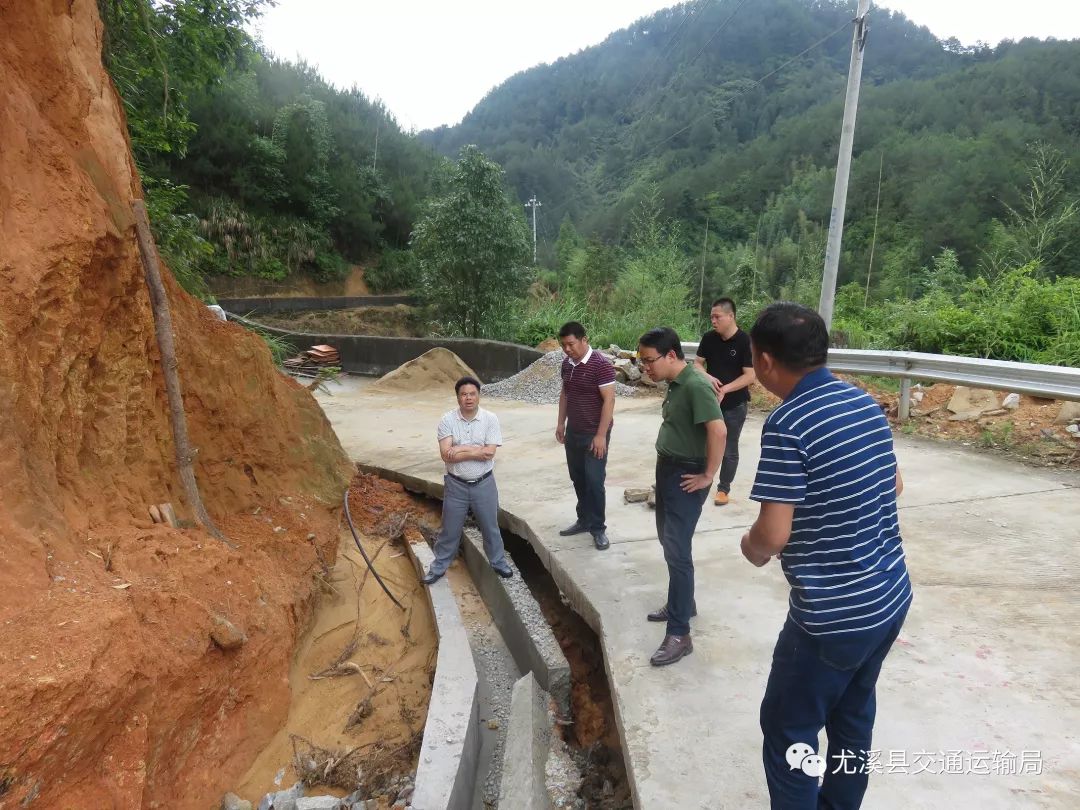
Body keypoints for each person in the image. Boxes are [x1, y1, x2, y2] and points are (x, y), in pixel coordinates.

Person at [741, 302, 912, 809]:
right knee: (852, 717)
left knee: (788, 730)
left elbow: (770, 537)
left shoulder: (788, 422)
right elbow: (896, 485)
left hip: (832, 618)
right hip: (889, 597)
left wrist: (748, 546)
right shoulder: (862, 402)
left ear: (766, 361)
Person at [637, 327, 726, 666]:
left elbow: (718, 430)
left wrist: (708, 476)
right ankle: (683, 602)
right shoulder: (678, 383)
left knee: (677, 550)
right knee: (668, 540)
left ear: (671, 355)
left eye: (649, 361)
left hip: (686, 474)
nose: (646, 368)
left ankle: (680, 633)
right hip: (669, 469)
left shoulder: (696, 385)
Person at [422, 376, 514, 585]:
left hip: (484, 484)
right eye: (464, 394)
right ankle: (439, 567)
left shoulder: (490, 419)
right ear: (458, 398)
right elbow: (446, 455)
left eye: (472, 394)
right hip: (456, 485)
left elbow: (489, 454)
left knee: (490, 526)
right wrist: (476, 449)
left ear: (478, 396)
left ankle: (498, 562)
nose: (468, 398)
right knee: (450, 529)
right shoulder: (447, 420)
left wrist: (461, 448)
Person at [555, 321, 616, 551]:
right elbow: (565, 394)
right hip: (574, 433)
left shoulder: (601, 365)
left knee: (594, 481)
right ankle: (584, 519)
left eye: (571, 344)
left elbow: (609, 400)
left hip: (594, 434)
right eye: (564, 345)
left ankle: (598, 528)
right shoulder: (566, 365)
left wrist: (601, 435)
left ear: (584, 340)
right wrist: (561, 423)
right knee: (578, 478)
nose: (567, 349)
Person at [694, 297, 755, 506]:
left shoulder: (745, 341)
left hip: (735, 405)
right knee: (702, 444)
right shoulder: (709, 338)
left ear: (731, 316)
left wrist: (725, 389)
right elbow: (697, 364)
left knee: (729, 447)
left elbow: (750, 375)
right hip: (709, 403)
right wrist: (708, 378)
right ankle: (701, 481)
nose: (713, 320)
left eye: (717, 316)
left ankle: (723, 489)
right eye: (711, 316)